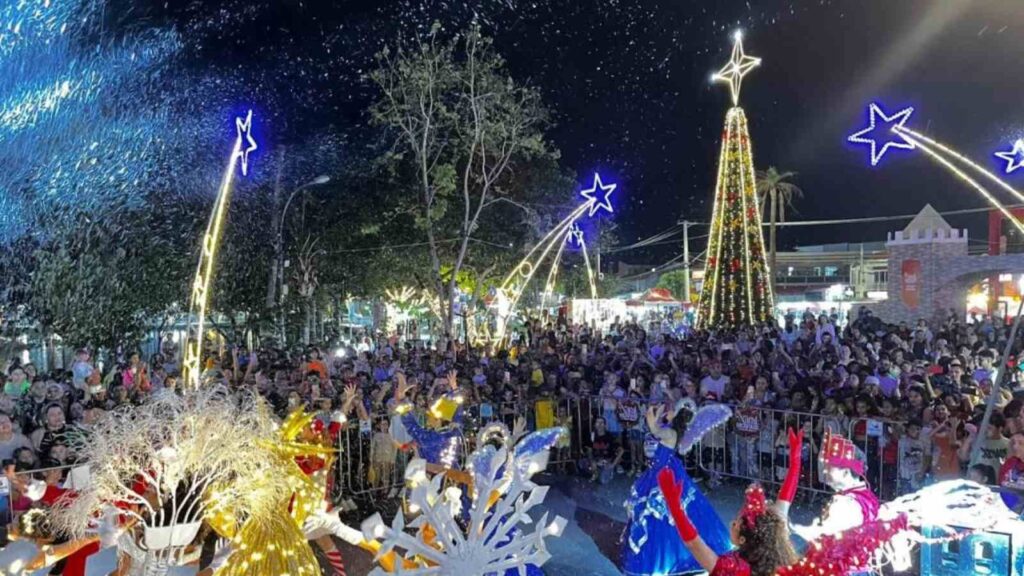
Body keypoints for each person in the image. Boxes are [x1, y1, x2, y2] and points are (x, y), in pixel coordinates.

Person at [653, 428, 804, 576]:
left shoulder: (731, 568)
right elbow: (785, 498)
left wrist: (674, 505)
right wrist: (795, 462)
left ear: (742, 540)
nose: (732, 522)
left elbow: (694, 544)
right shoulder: (777, 551)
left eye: (736, 523)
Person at [621, 405, 735, 576]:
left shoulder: (670, 433)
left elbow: (654, 430)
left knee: (662, 515)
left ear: (677, 417)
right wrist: (659, 415)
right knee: (665, 515)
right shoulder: (671, 431)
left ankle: (663, 557)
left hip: (662, 475)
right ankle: (670, 550)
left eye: (673, 410)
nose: (670, 410)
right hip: (660, 471)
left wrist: (651, 415)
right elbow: (656, 429)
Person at [792, 431, 878, 543]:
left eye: (829, 468)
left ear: (845, 473)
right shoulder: (865, 495)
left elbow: (827, 538)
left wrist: (798, 531)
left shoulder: (845, 504)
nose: (825, 471)